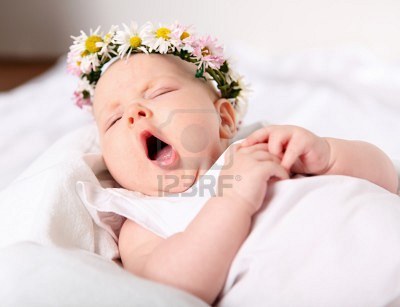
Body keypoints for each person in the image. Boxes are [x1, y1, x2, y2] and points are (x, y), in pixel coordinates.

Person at [68, 22, 399, 305]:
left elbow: (387, 178)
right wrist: (233, 200)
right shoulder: (142, 221)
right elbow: (170, 290)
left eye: (159, 93)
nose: (135, 113)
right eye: (113, 120)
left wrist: (328, 155)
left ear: (224, 119)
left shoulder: (263, 145)